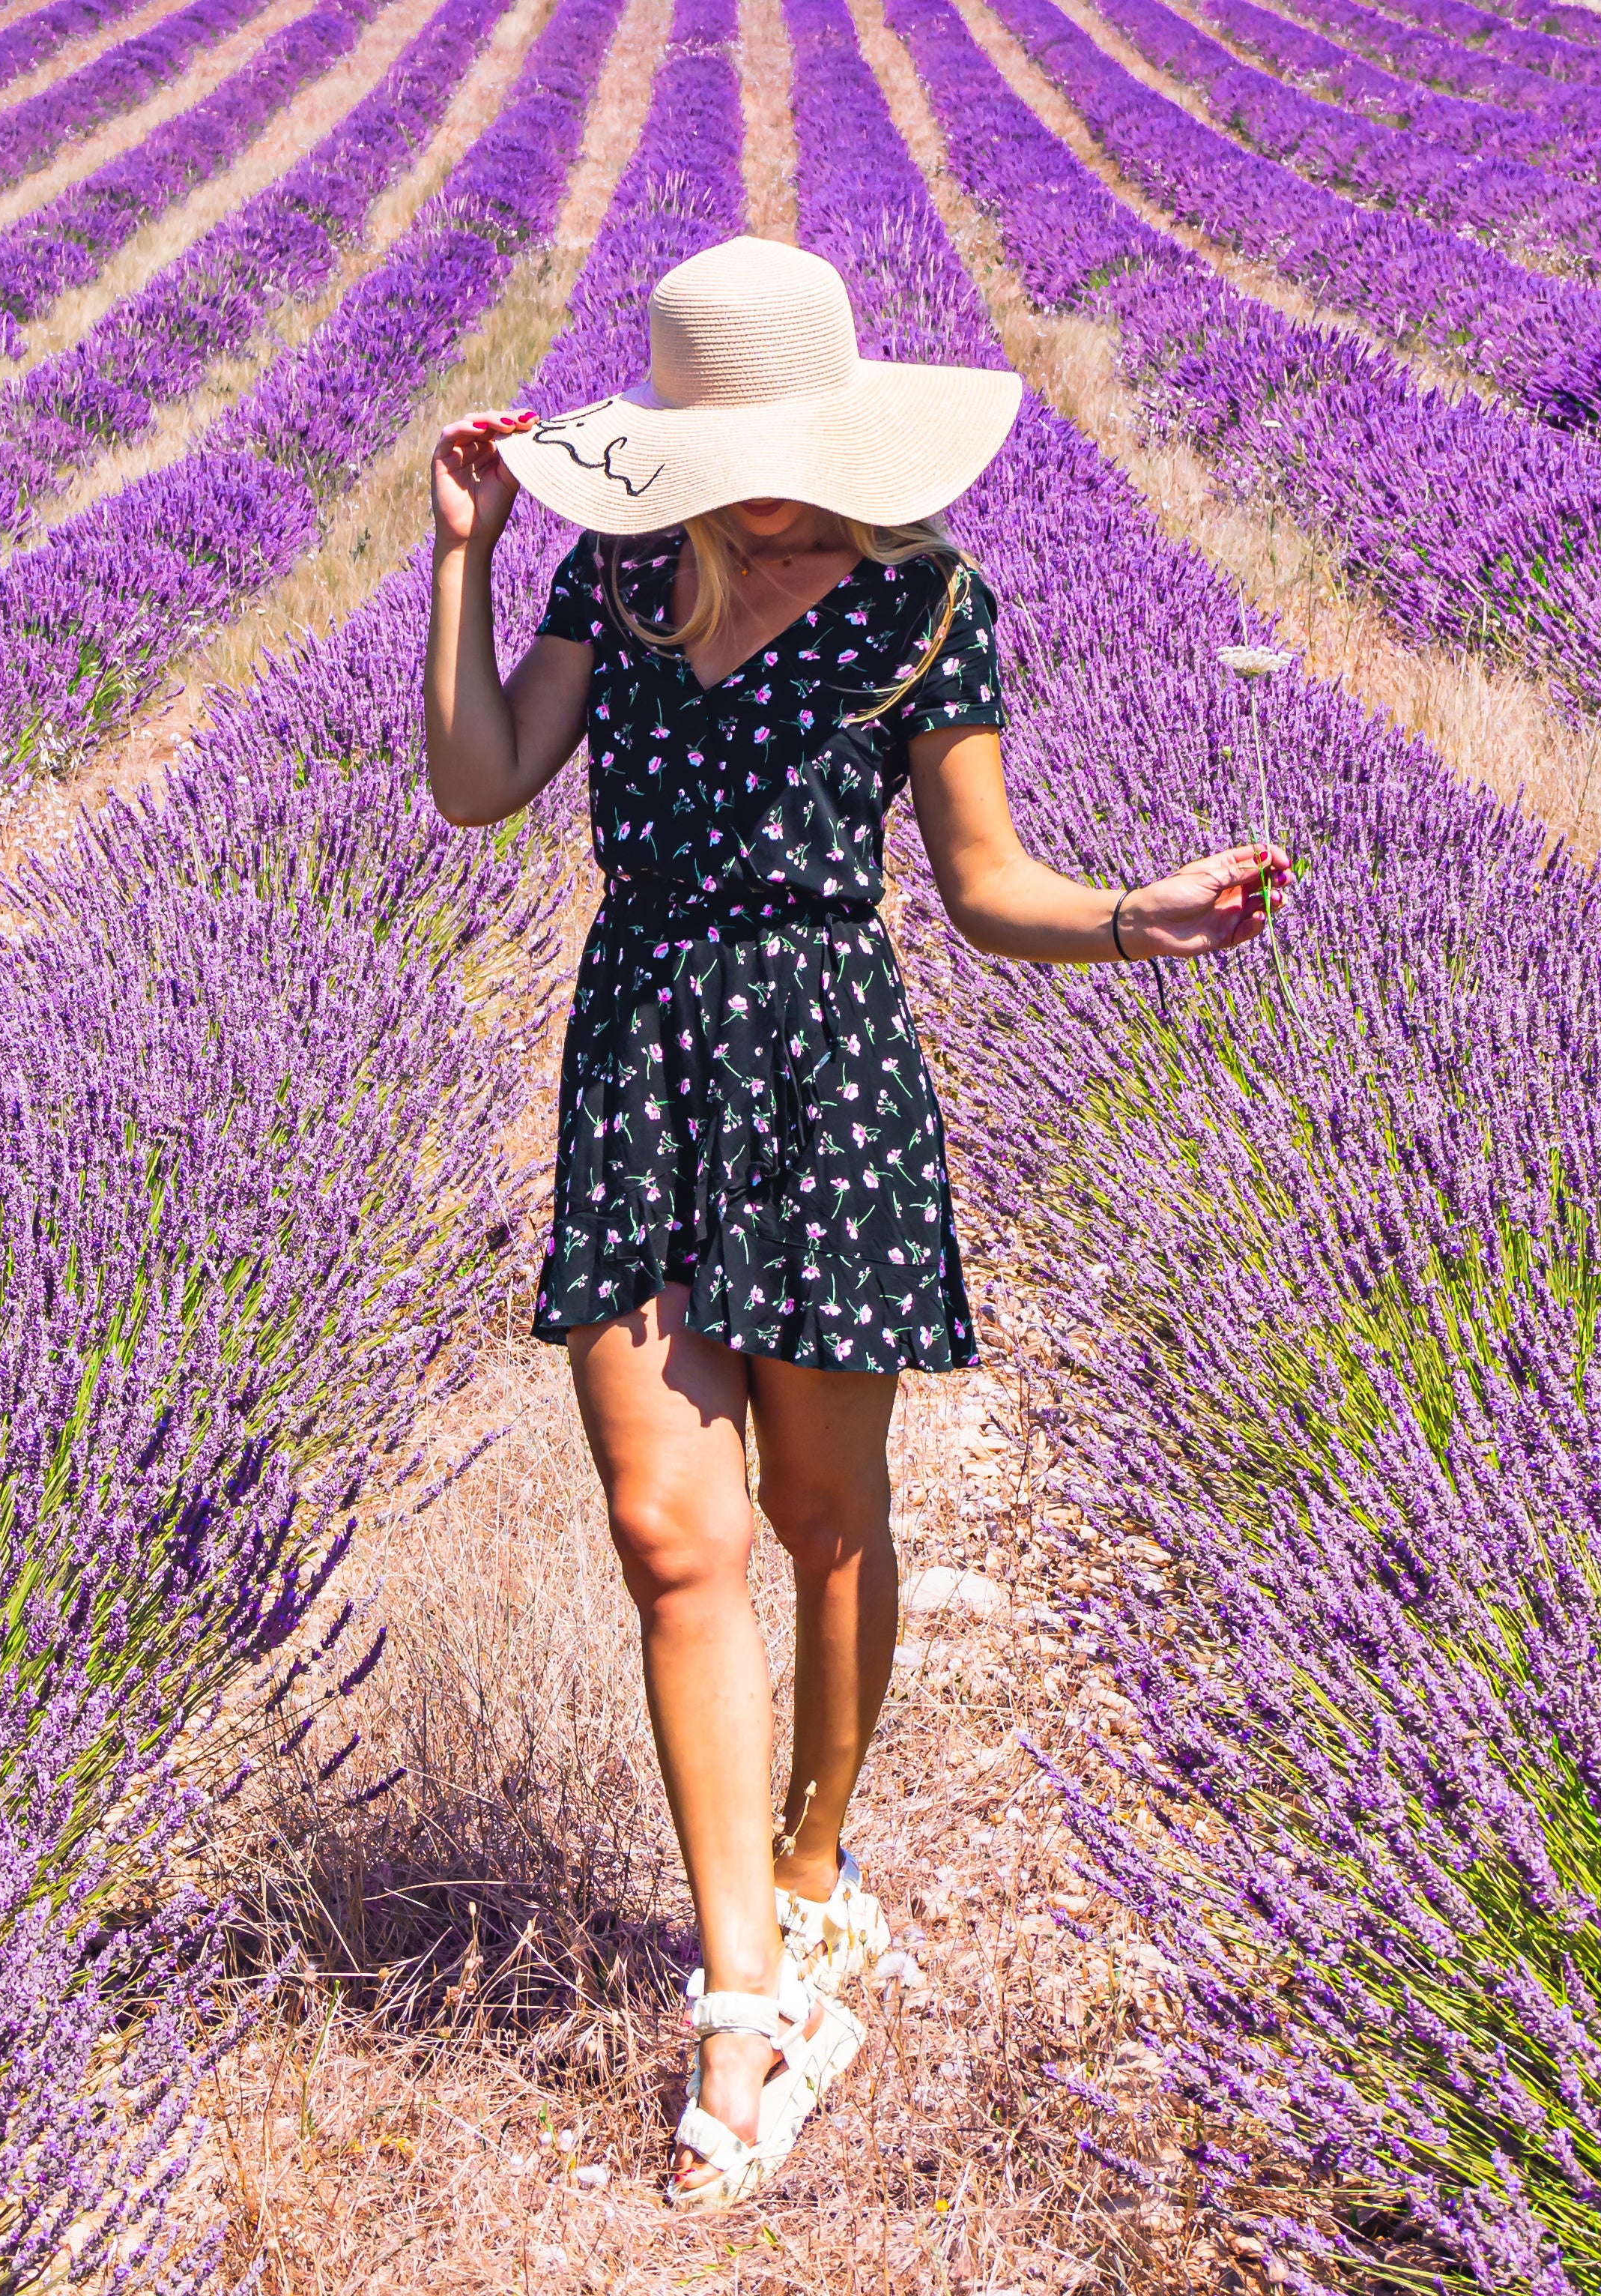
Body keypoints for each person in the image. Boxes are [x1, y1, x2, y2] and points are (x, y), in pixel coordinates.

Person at [420, 236, 1287, 2212]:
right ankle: (746, 1994)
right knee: (668, 1534)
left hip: (826, 1065)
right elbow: (479, 787)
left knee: (823, 1523)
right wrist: (463, 553)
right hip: (637, 1051)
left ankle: (813, 1869)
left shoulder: (922, 605)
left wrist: (1135, 917)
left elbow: (984, 885)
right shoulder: (616, 578)